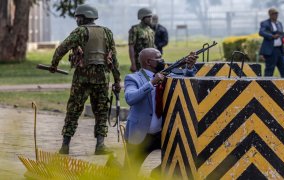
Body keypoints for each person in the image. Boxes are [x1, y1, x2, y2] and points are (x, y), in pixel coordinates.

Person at [49, 4, 121, 155]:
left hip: (82, 78)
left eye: (77, 17)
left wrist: (54, 64)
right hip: (102, 78)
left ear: (83, 18)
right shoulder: (107, 32)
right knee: (101, 111)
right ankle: (100, 145)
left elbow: (62, 48)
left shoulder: (80, 32)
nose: (76, 20)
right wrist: (117, 80)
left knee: (73, 110)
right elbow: (113, 58)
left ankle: (65, 146)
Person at [123, 48, 198, 174]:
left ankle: (155, 174)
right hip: (140, 134)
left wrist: (189, 67)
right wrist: (152, 82)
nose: (162, 60)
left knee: (177, 161)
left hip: (161, 134)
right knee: (129, 172)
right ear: (148, 61)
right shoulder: (133, 78)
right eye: (159, 58)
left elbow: (187, 81)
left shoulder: (166, 75)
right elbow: (130, 98)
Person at [259, 8, 284, 78]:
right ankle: (266, 86)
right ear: (270, 15)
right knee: (269, 70)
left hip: (280, 50)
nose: (276, 15)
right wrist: (272, 36)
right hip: (271, 51)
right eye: (274, 14)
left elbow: (281, 35)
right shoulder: (265, 23)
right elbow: (261, 32)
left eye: (276, 14)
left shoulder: (279, 23)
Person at [128, 8, 155, 72]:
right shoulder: (135, 29)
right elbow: (131, 47)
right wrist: (133, 64)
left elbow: (153, 47)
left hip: (150, 63)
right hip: (139, 63)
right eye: (148, 16)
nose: (151, 18)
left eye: (151, 16)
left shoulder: (150, 31)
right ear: (142, 17)